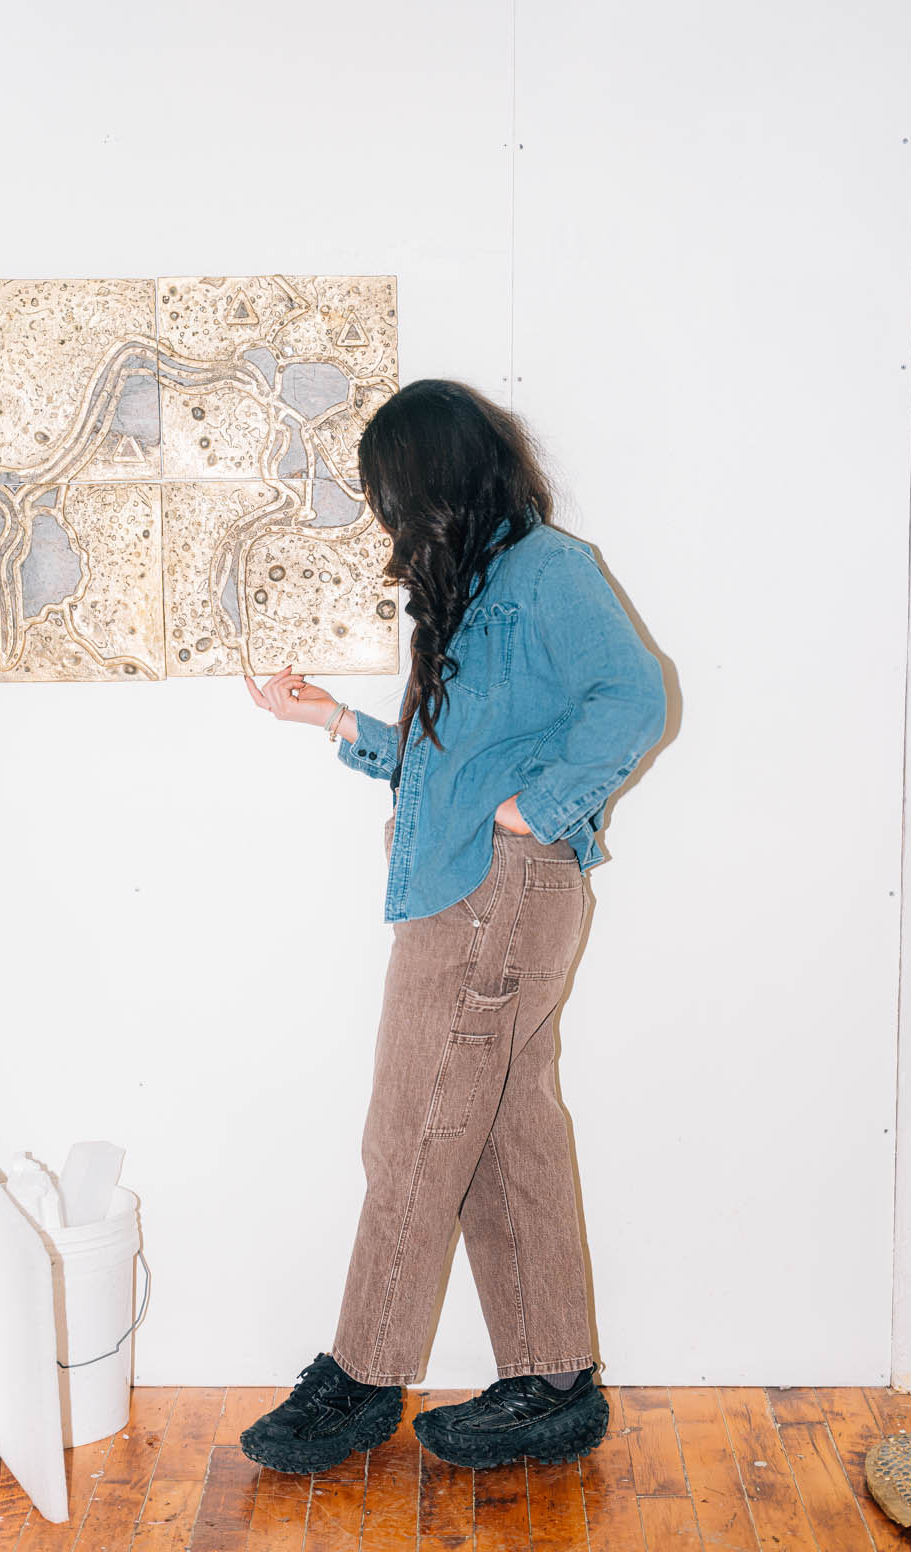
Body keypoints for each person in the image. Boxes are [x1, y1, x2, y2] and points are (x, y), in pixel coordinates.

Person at [240, 379, 666, 1474]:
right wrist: (335, 721)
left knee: (414, 1135)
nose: (386, 514)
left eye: (390, 490)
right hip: (481, 894)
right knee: (504, 1137)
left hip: (493, 896)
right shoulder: (473, 590)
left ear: (435, 476)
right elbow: (449, 771)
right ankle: (553, 1384)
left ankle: (360, 1378)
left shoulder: (547, 571)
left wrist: (539, 809)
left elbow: (635, 696)